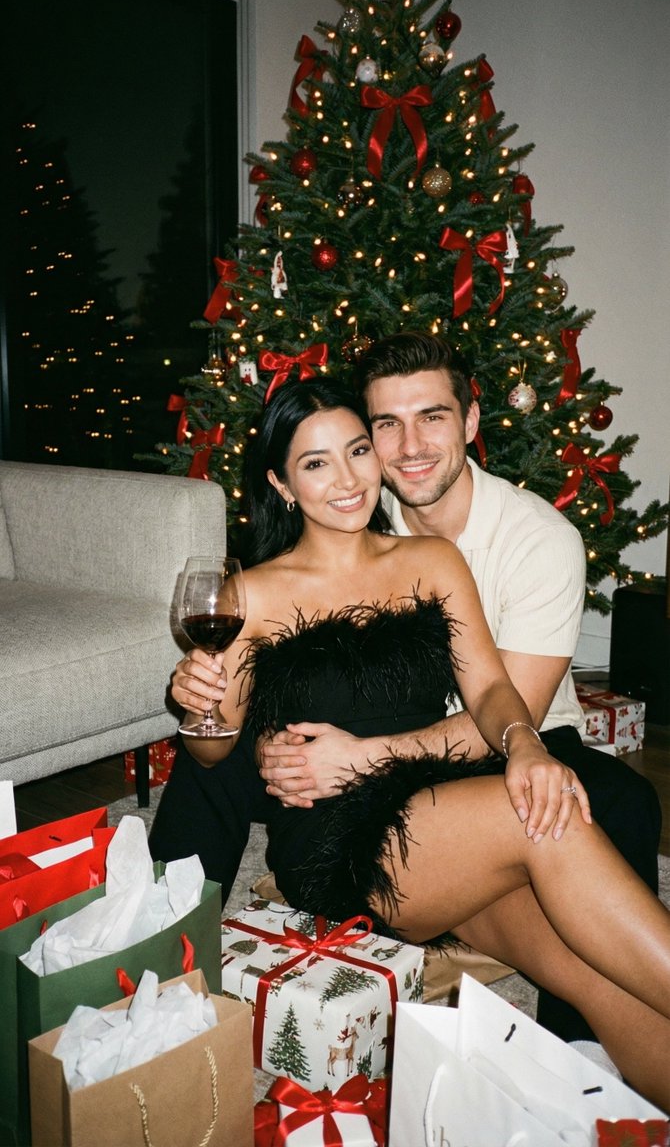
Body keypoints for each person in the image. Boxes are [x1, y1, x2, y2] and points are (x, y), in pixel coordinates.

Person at [153, 375, 670, 1109]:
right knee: (547, 816)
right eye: (316, 463)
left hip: (440, 816)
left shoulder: (431, 562)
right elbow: (210, 757)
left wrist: (523, 741)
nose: (348, 478)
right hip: (339, 838)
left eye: (358, 450)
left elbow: (491, 691)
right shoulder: (253, 594)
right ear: (281, 482)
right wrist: (199, 707)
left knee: (588, 970)